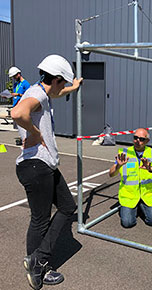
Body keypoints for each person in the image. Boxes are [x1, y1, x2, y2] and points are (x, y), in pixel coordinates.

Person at [11, 54, 83, 290]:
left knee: (67, 207)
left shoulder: (41, 90)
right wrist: (33, 132)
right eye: (63, 82)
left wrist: (74, 87)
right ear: (57, 79)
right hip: (36, 166)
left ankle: (37, 260)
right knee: (40, 220)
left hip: (44, 165)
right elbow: (17, 113)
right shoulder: (37, 94)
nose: (62, 88)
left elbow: (57, 93)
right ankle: (38, 264)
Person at [109, 128, 152, 228]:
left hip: (147, 196)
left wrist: (150, 169)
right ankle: (134, 207)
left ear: (147, 141)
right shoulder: (124, 152)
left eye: (141, 139)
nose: (137, 141)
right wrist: (118, 166)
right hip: (129, 196)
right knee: (127, 223)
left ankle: (140, 206)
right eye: (135, 138)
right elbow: (111, 174)